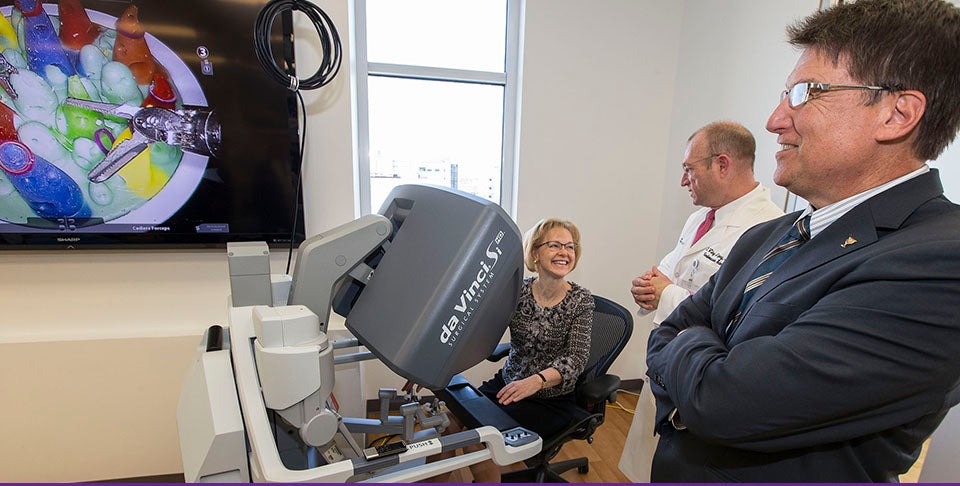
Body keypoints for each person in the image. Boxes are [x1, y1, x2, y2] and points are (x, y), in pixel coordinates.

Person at [645, 0, 960, 481]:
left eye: (805, 93)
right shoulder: (766, 236)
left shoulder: (941, 261)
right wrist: (702, 367)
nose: (774, 120)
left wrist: (696, 379)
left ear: (898, 114)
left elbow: (725, 402)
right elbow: (666, 333)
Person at [619, 121, 783, 481]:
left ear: (722, 165)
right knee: (645, 468)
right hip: (665, 358)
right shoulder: (699, 218)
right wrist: (649, 289)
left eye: (688, 170)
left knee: (677, 469)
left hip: (700, 375)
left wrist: (666, 293)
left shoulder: (767, 228)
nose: (683, 181)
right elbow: (666, 270)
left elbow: (736, 316)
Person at [477, 217, 594, 438]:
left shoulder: (581, 299)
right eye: (554, 245)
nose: (564, 252)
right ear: (535, 253)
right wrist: (437, 367)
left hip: (550, 398)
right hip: (510, 381)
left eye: (570, 247)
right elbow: (479, 327)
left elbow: (576, 358)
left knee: (484, 438)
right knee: (453, 420)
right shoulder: (518, 290)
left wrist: (536, 382)